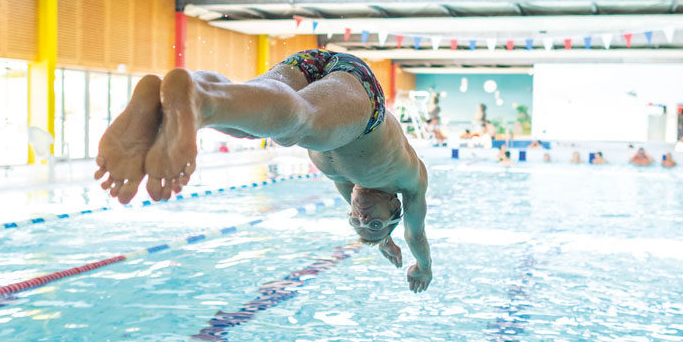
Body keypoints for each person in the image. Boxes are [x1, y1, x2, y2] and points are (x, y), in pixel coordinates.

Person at [94, 49, 434, 293]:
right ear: (395, 207)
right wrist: (423, 267)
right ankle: (200, 100)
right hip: (362, 95)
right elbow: (415, 235)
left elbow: (375, 220)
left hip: (311, 62)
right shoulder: (408, 181)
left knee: (250, 123)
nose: (360, 216)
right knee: (298, 124)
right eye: (372, 221)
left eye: (356, 222)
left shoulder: (351, 186)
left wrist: (379, 234)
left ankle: (174, 99)